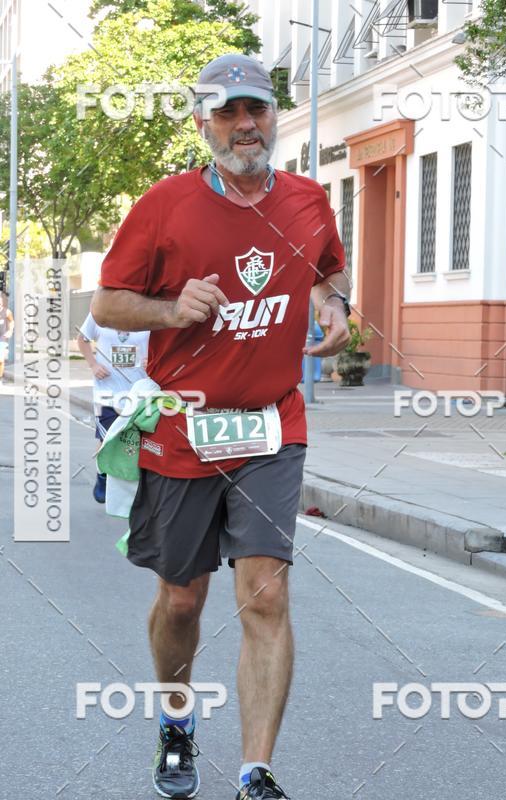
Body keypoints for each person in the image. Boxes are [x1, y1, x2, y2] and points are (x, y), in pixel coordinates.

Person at [91, 53, 351, 800]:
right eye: (230, 112)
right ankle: (176, 722)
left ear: (275, 116)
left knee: (265, 594)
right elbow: (108, 302)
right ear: (204, 122)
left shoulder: (306, 201)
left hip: (272, 427)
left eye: (257, 111)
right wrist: (172, 310)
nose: (246, 125)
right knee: (182, 599)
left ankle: (255, 771)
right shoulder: (166, 205)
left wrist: (336, 308)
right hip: (184, 430)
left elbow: (330, 271)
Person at [77, 312, 149, 503]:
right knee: (107, 438)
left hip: (139, 392)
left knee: (136, 442)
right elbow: (82, 339)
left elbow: (161, 344)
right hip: (107, 394)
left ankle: (136, 486)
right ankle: (102, 477)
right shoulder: (99, 313)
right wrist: (93, 365)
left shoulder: (146, 314)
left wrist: (153, 360)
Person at [0, 291, 14, 385]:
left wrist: (10, 331)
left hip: (2, 338)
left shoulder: (7, 311)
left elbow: (12, 321)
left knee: (0, 360)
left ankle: (0, 378)